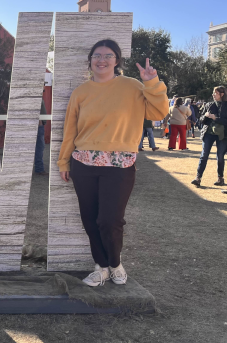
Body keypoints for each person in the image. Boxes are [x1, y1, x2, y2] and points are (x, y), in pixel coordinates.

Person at [58, 39, 168, 287]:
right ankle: (101, 267)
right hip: (84, 163)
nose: (102, 60)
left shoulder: (132, 86)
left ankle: (115, 264)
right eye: (97, 55)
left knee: (109, 220)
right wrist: (64, 161)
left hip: (119, 165)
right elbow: (70, 130)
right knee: (89, 218)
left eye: (108, 55)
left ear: (117, 60)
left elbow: (158, 113)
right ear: (90, 60)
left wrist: (151, 82)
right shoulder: (81, 92)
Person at [191, 87, 227, 188]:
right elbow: (200, 120)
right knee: (204, 155)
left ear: (222, 94)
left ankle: (220, 178)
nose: (213, 95)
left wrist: (216, 118)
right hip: (208, 133)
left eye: (215, 93)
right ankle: (198, 178)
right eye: (213, 93)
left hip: (223, 134)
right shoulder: (209, 105)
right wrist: (206, 116)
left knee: (220, 156)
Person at [34, 93, 48, 175]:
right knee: (39, 147)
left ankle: (39, 168)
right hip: (38, 125)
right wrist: (39, 123)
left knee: (40, 147)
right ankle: (39, 169)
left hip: (40, 124)